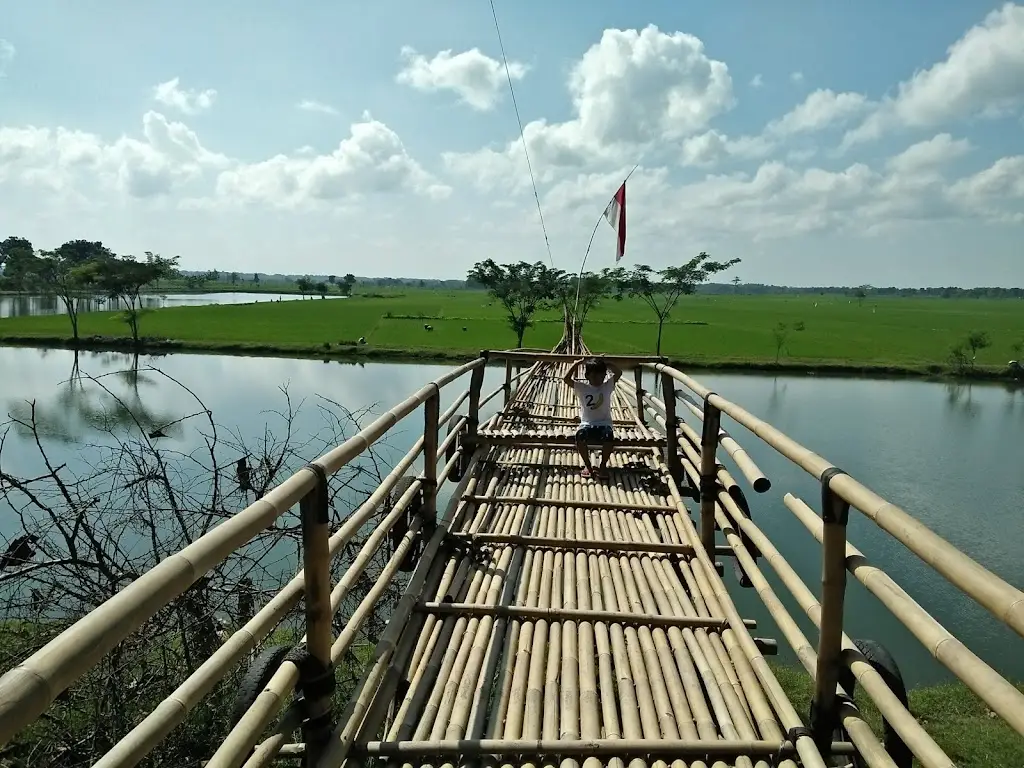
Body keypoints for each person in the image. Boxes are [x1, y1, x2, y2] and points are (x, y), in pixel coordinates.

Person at [562, 356, 623, 478]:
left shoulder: (607, 386)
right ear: (587, 376)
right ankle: (588, 465)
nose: (598, 379)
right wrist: (577, 363)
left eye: (601, 376)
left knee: (609, 437)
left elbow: (619, 373)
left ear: (604, 376)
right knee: (580, 437)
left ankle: (603, 465)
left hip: (604, 424)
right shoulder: (582, 388)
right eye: (594, 376)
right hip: (587, 424)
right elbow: (566, 379)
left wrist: (607, 362)